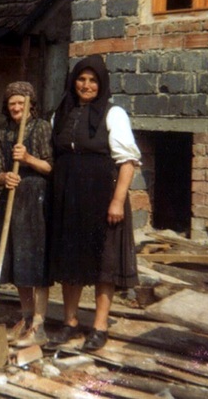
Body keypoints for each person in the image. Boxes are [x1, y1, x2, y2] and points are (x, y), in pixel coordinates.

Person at [48, 55, 141, 351]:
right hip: (68, 196)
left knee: (104, 262)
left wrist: (117, 200)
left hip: (102, 197)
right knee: (69, 259)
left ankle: (100, 327)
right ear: (73, 82)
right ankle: (70, 322)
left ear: (101, 84)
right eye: (81, 79)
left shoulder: (114, 115)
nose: (86, 85)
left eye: (92, 80)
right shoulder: (60, 114)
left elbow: (127, 163)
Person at [0, 82, 53, 347]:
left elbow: (50, 166)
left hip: (37, 199)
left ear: (31, 105)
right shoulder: (2, 133)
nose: (15, 107)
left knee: (36, 260)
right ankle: (26, 317)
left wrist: (27, 159)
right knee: (17, 259)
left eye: (21, 103)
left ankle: (39, 322)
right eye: (11, 103)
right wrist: (4, 177)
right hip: (13, 199)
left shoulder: (41, 128)